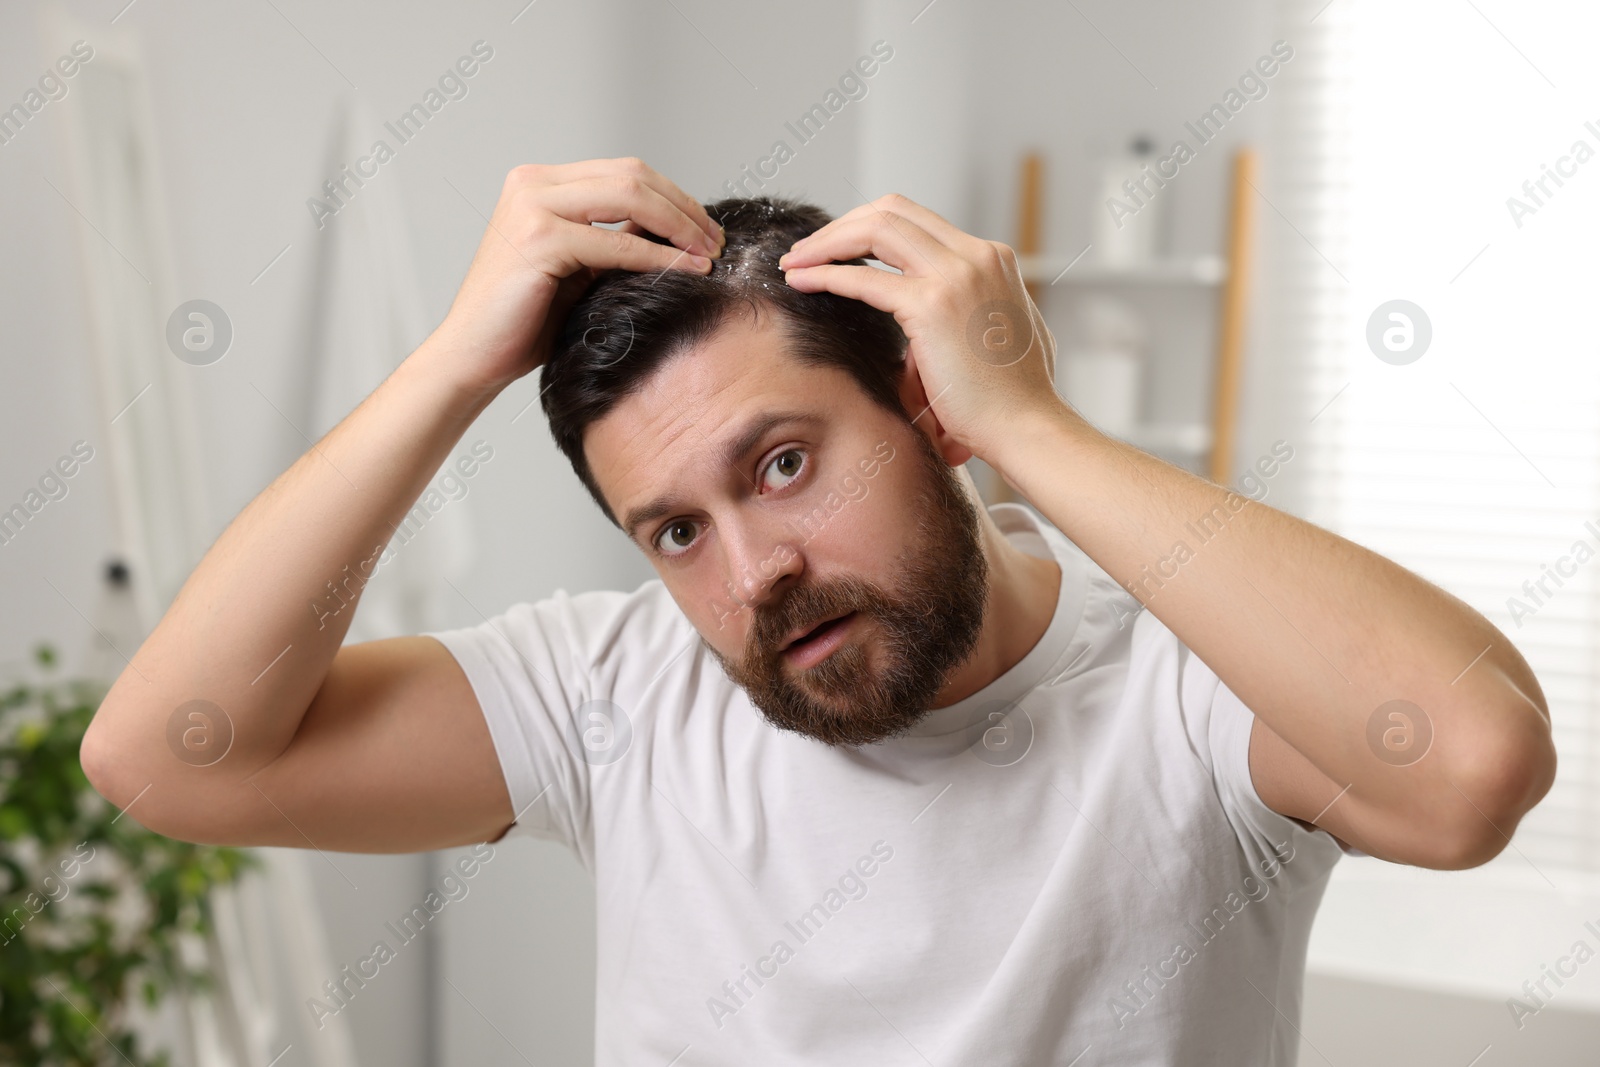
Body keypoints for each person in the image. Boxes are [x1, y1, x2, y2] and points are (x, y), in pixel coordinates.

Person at [82, 158, 1556, 1064]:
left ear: (925, 403)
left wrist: (1033, 421)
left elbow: (1470, 767)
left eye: (783, 465)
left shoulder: (1184, 691)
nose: (751, 573)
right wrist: (451, 367)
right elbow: (166, 760)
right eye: (675, 530)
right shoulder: (615, 690)